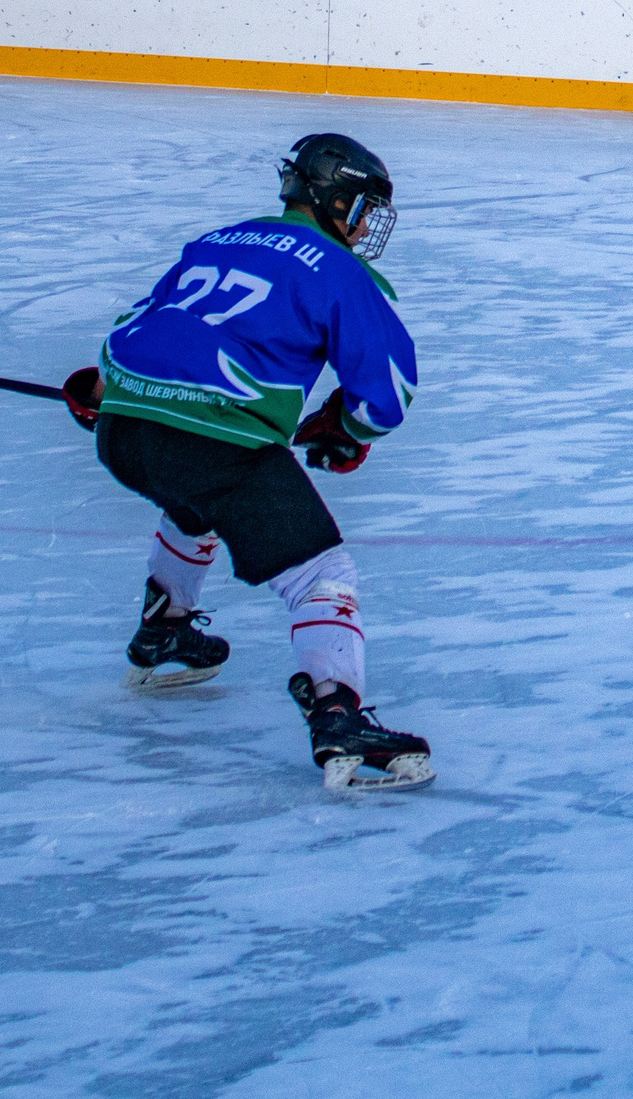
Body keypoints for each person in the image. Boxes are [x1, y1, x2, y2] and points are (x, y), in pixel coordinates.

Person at [71, 132, 432, 791]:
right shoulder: (338, 269)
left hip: (123, 433)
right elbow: (386, 397)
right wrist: (343, 427)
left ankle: (167, 627)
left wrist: (105, 391)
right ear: (338, 202)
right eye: (363, 208)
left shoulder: (217, 241)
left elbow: (136, 329)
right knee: (322, 572)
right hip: (214, 442)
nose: (365, 226)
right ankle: (337, 712)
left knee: (191, 497)